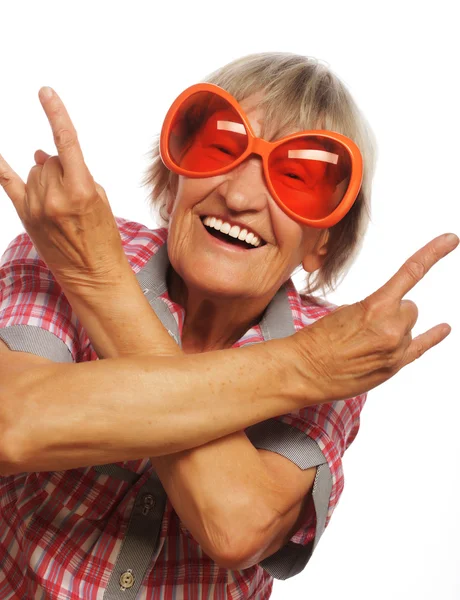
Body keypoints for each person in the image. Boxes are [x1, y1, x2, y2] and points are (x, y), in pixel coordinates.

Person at [0, 52, 457, 600]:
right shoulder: (70, 243)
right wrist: (305, 367)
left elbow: (238, 525)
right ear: (173, 181)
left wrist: (98, 285)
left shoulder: (341, 346)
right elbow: (12, 422)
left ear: (322, 243)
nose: (239, 198)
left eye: (299, 178)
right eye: (220, 147)